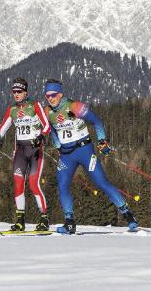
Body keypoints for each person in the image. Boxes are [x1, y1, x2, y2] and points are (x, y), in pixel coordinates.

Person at [43, 79, 138, 234]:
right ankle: (69, 223)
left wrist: (102, 141)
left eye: (53, 95)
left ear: (60, 94)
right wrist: (57, 146)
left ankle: (128, 216)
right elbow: (53, 129)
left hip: (84, 151)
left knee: (101, 182)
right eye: (47, 96)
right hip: (67, 155)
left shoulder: (74, 106)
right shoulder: (47, 111)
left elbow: (96, 122)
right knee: (62, 185)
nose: (50, 98)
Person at [0, 78, 51, 232]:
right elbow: (3, 127)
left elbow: (47, 125)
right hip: (20, 151)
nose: (16, 94)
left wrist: (42, 137)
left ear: (25, 92)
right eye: (14, 92)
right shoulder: (12, 110)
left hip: (35, 150)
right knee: (18, 185)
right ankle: (20, 221)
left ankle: (44, 219)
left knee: (33, 184)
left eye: (19, 92)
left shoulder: (34, 105)